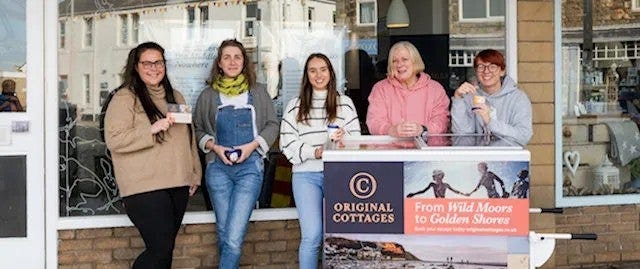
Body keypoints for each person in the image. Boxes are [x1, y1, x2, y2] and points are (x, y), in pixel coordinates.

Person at [104, 42, 201, 269]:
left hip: (178, 183)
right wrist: (150, 129)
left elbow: (189, 138)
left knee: (165, 253)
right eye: (147, 63)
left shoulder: (175, 97)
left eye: (158, 62)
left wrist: (194, 172)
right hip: (144, 188)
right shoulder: (125, 98)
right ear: (136, 67)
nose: (153, 68)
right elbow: (114, 140)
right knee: (159, 249)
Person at [193, 39, 279, 268]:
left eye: (237, 57)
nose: (232, 62)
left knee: (232, 236)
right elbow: (198, 129)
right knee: (223, 231)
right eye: (227, 57)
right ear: (219, 63)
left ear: (244, 62)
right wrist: (215, 147)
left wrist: (251, 146)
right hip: (218, 168)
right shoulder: (208, 95)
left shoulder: (258, 92)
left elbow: (272, 124)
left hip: (250, 168)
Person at [280, 53, 361, 269]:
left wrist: (345, 139)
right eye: (312, 70)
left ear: (331, 73)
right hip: (305, 175)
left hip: (339, 175)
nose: (318, 75)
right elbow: (287, 145)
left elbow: (357, 141)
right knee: (312, 235)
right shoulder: (294, 106)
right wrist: (315, 152)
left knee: (337, 235)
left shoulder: (345, 104)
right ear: (306, 75)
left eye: (323, 69)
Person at [366, 41, 450, 139]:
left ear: (415, 61)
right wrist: (391, 130)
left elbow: (442, 121)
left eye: (404, 59)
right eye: (394, 61)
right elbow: (374, 122)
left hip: (426, 151)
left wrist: (423, 129)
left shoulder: (435, 89)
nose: (399, 64)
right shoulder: (380, 89)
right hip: (390, 150)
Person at [451, 49, 532, 146]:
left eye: (492, 67)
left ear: (502, 71)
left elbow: (524, 135)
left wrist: (490, 121)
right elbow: (462, 135)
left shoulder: (518, 98)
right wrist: (458, 99)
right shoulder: (470, 96)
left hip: (507, 158)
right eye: (481, 67)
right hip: (477, 158)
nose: (486, 71)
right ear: (476, 71)